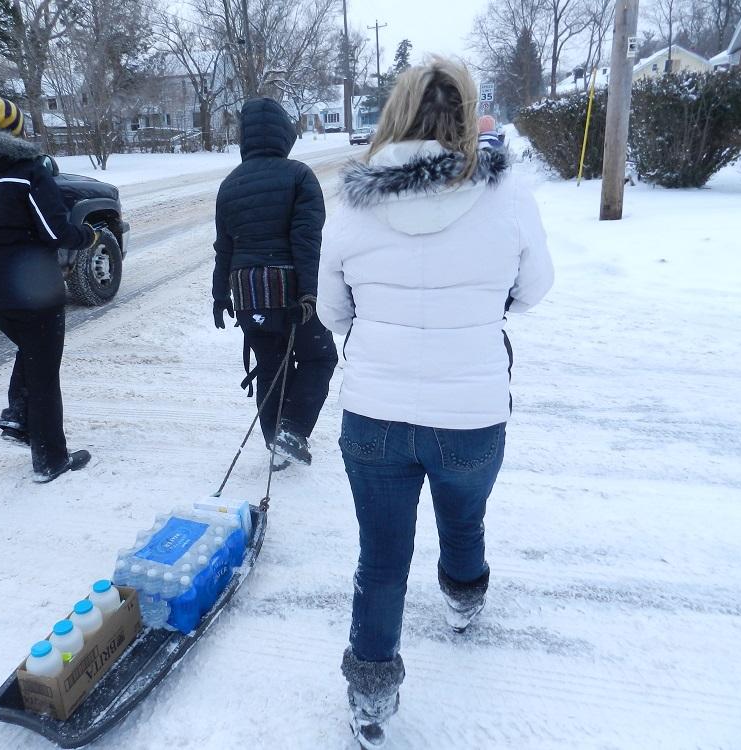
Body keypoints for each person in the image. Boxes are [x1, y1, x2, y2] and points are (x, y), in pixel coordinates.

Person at [317, 58, 554, 748]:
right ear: (469, 115)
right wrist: (487, 301)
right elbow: (534, 288)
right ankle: (462, 597)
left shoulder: (352, 205)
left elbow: (333, 310)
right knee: (463, 515)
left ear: (395, 113)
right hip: (471, 413)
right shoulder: (508, 197)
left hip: (374, 416)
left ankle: (369, 697)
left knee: (382, 557)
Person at [0, 97, 95, 483]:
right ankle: (50, 460)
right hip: (33, 292)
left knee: (30, 350)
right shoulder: (28, 173)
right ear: (13, 131)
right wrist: (88, 234)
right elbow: (55, 231)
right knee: (44, 369)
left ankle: (19, 419)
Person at [211, 98, 338, 469]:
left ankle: (276, 444)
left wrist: (220, 294)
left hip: (249, 293)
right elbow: (306, 239)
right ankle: (292, 430)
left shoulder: (230, 184)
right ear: (285, 134)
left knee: (271, 366)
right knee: (319, 357)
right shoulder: (299, 175)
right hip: (290, 289)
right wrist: (310, 293)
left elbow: (224, 247)